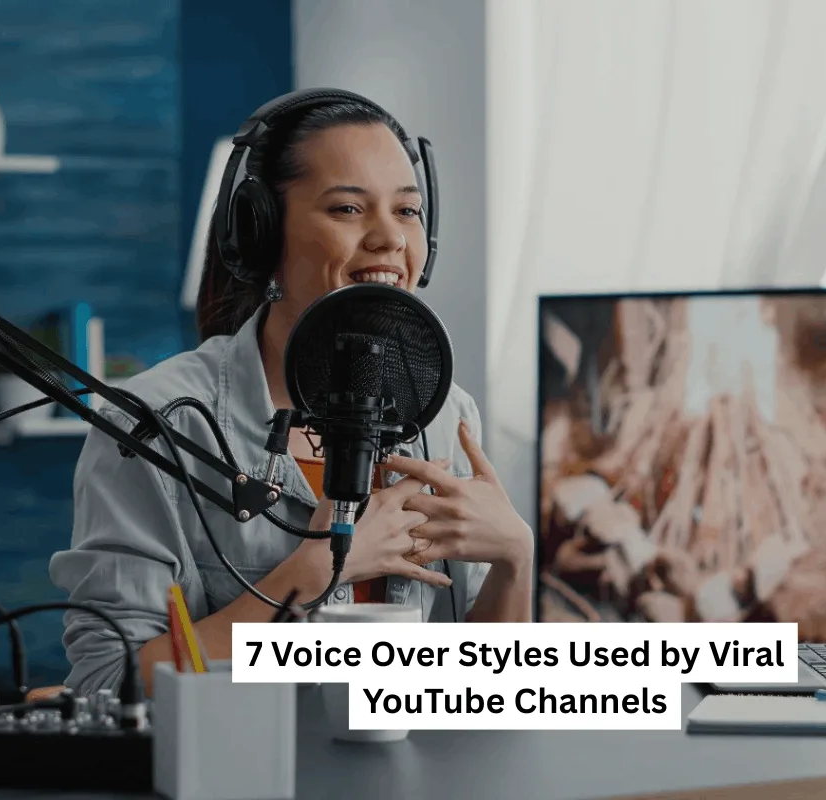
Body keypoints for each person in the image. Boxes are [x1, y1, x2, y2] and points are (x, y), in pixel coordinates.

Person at [48, 90, 534, 697]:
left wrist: (515, 557)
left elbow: (480, 697)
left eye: (407, 212)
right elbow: (107, 682)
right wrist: (312, 574)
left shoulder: (444, 413)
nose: (390, 239)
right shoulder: (158, 422)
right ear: (262, 234)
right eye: (349, 209)